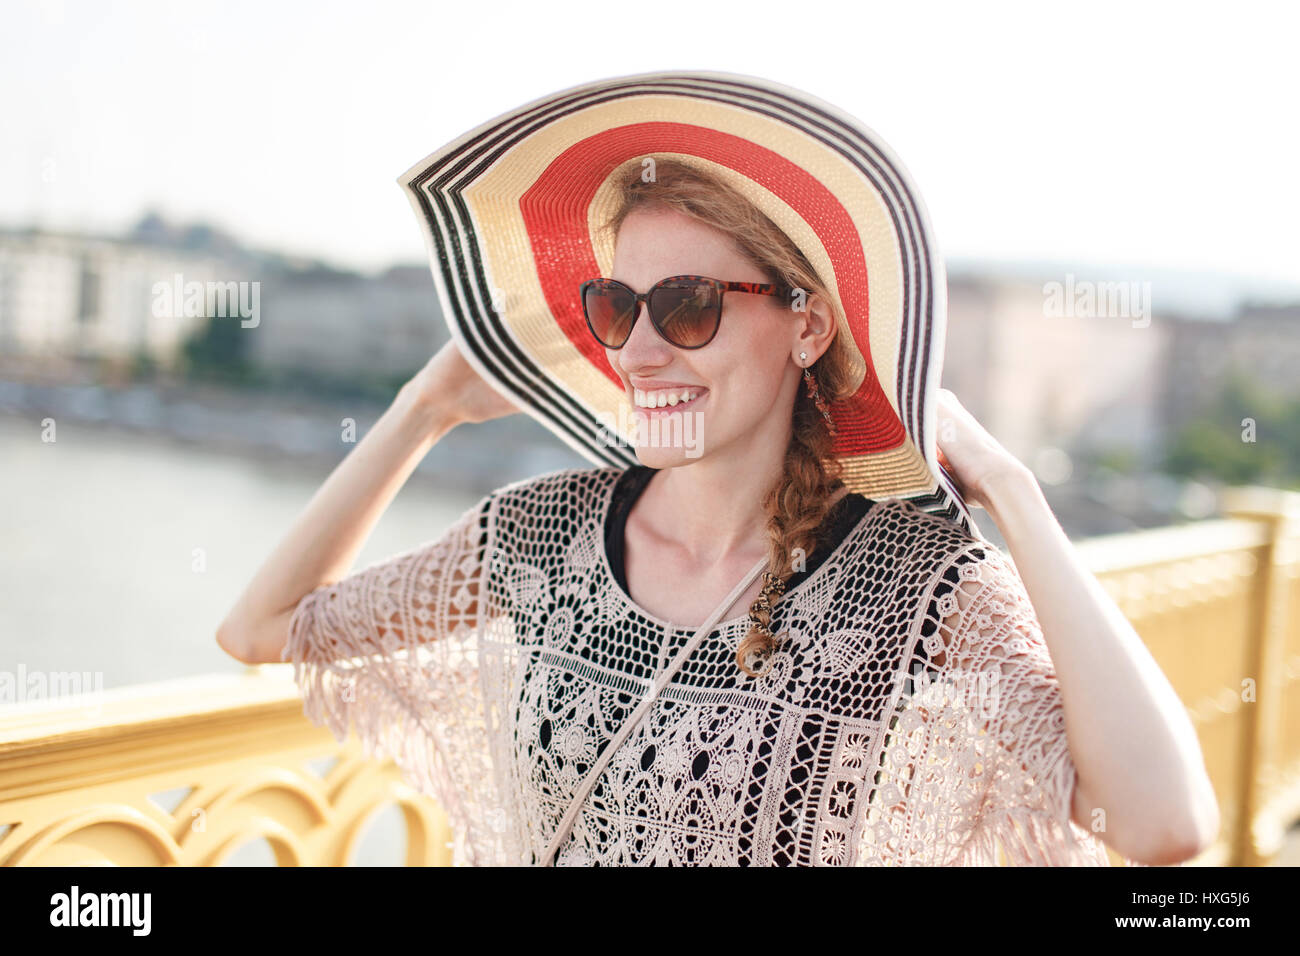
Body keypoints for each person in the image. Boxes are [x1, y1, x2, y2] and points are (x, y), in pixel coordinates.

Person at [216, 72, 1217, 867]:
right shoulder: (539, 532)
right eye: (618, 306)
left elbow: (1163, 821)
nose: (639, 349)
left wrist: (1013, 492)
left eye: (688, 304)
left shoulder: (910, 580)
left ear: (807, 322)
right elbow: (260, 627)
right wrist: (420, 410)